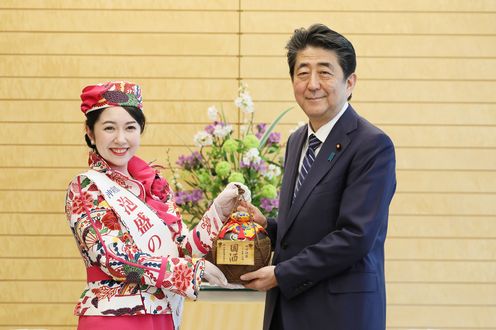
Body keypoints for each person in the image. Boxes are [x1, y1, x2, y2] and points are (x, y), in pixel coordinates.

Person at [239, 24, 397, 330]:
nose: (312, 84)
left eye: (324, 72)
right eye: (302, 73)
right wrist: (266, 227)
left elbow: (355, 237)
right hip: (288, 312)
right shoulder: (297, 140)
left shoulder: (372, 145)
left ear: (350, 82)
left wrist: (280, 274)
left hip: (340, 313)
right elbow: (306, 227)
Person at [65, 81, 245, 330]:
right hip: (113, 319)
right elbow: (113, 258)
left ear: (140, 129)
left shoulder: (154, 186)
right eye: (109, 128)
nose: (121, 138)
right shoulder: (86, 187)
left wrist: (217, 213)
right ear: (90, 132)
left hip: (162, 314)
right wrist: (190, 271)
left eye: (130, 127)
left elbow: (181, 250)